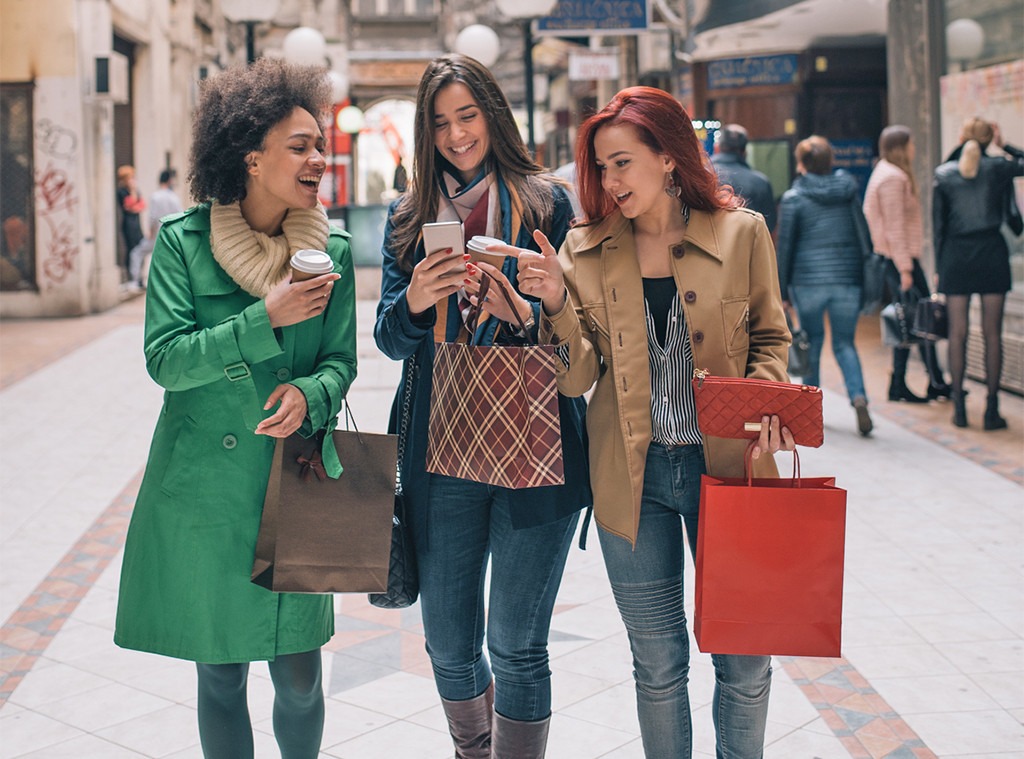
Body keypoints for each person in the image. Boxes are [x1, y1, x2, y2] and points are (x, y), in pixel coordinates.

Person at [516, 86, 793, 758]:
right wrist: (554, 300)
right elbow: (577, 377)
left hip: (732, 474)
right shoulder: (584, 250)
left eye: (621, 164)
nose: (608, 182)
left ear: (669, 158)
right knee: (659, 662)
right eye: (600, 168)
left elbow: (771, 339)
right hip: (631, 482)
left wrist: (766, 401)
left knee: (746, 661)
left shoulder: (742, 232)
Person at [114, 58, 357, 759]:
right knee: (221, 673)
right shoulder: (182, 246)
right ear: (252, 159)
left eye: (320, 144)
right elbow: (166, 360)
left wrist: (309, 392)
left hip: (298, 484)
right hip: (209, 492)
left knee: (303, 676)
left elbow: (341, 363)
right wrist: (264, 317)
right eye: (300, 145)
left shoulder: (331, 251)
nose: (318, 157)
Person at [373, 54, 590, 759]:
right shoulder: (409, 219)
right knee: (449, 640)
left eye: (468, 116)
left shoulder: (548, 204)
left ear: (494, 115)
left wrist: (523, 312)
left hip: (539, 438)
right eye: (440, 123)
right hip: (443, 441)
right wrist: (416, 299)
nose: (457, 135)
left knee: (517, 644)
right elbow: (387, 338)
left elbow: (582, 336)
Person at [776, 135, 874, 437]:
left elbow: (786, 246)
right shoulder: (848, 192)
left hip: (808, 281)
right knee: (845, 343)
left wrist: (782, 291)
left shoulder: (794, 198)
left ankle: (810, 412)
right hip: (846, 278)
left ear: (802, 163)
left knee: (812, 343)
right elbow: (863, 237)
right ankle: (858, 398)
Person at [933, 117, 1024, 429]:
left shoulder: (943, 174)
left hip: (955, 257)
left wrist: (938, 268)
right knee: (992, 333)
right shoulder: (999, 166)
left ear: (962, 137)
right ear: (989, 139)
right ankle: (991, 410)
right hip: (991, 253)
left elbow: (939, 228)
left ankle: (959, 408)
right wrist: (1004, 145)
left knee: (957, 334)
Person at [863, 125, 951, 403]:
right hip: (900, 260)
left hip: (898, 259)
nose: (915, 149)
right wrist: (905, 269)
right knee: (916, 319)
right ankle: (917, 382)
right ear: (901, 147)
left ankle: (921, 380)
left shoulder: (886, 173)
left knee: (910, 319)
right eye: (911, 144)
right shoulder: (892, 177)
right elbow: (895, 228)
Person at [711, 123, 777, 233]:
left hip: (707, 247)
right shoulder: (760, 182)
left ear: (717, 148)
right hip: (746, 247)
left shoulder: (702, 176)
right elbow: (768, 225)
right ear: (745, 151)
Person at [129, 168, 185, 287]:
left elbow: (153, 217)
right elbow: (180, 215)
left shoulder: (156, 196)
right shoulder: (174, 197)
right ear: (169, 181)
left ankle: (135, 281)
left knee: (136, 253)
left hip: (157, 234)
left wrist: (150, 231)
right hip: (171, 235)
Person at [116, 164, 146, 279]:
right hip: (128, 224)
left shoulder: (135, 191)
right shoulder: (122, 191)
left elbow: (142, 205)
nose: (133, 180)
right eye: (131, 177)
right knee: (131, 249)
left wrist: (135, 206)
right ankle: (131, 276)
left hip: (137, 223)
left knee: (140, 248)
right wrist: (133, 192)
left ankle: (139, 275)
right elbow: (129, 205)